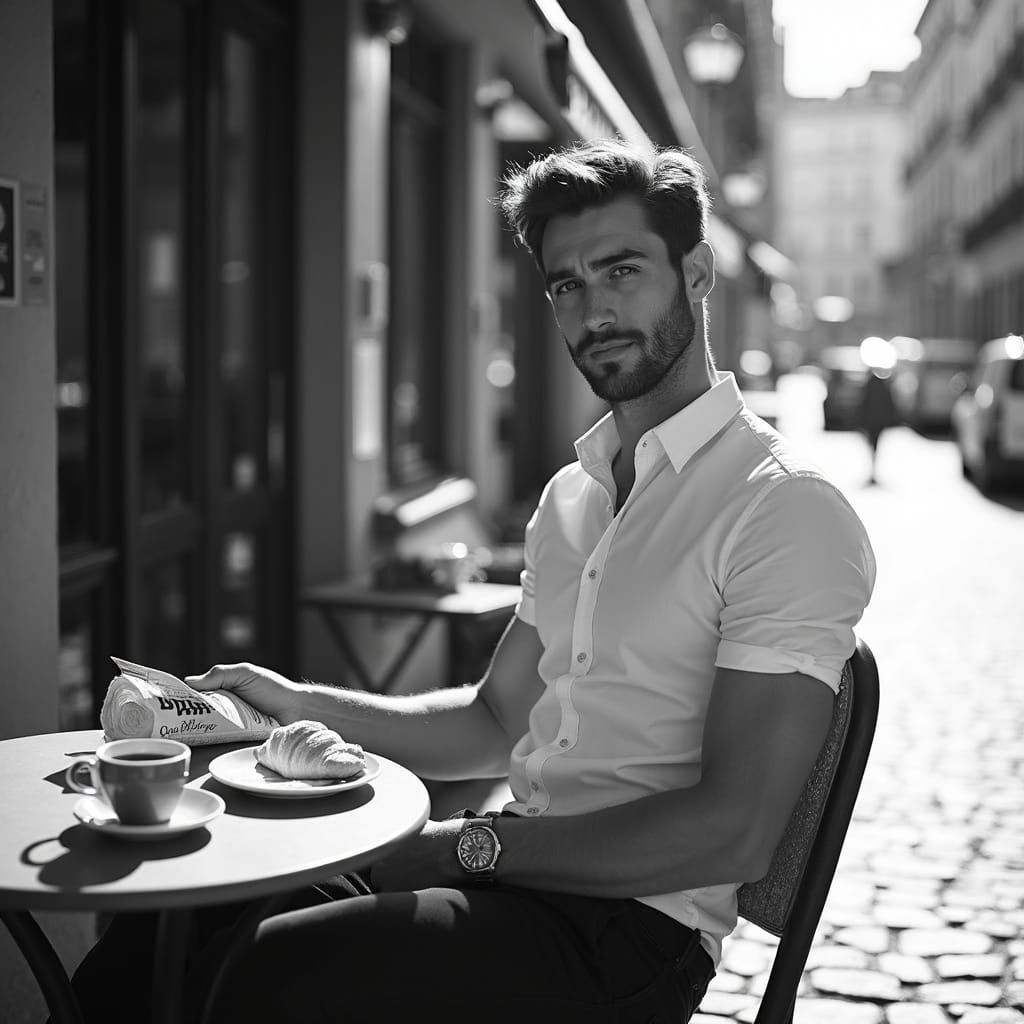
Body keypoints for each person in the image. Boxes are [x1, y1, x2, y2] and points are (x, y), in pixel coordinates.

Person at [69, 138, 875, 1024]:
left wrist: (470, 849)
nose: (594, 310)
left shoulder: (784, 509)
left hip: (631, 937)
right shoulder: (576, 495)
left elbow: (734, 829)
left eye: (621, 270)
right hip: (512, 875)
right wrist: (296, 701)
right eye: (566, 284)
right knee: (166, 931)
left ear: (697, 272)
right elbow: (494, 724)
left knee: (270, 980)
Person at [859, 366, 898, 483]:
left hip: (871, 422)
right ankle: (873, 471)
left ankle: (872, 471)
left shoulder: (869, 386)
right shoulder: (883, 386)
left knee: (872, 446)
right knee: (875, 446)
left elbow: (863, 405)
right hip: (878, 421)